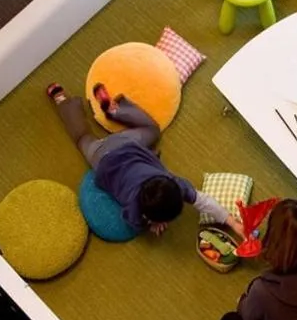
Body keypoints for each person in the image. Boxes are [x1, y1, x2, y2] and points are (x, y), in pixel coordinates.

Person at [48, 82, 231, 233]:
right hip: (103, 157)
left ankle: (81, 104)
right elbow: (134, 222)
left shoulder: (171, 181)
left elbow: (203, 200)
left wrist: (234, 223)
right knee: (82, 138)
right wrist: (152, 225)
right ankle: (68, 101)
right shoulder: (134, 211)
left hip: (122, 145)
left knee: (151, 130)